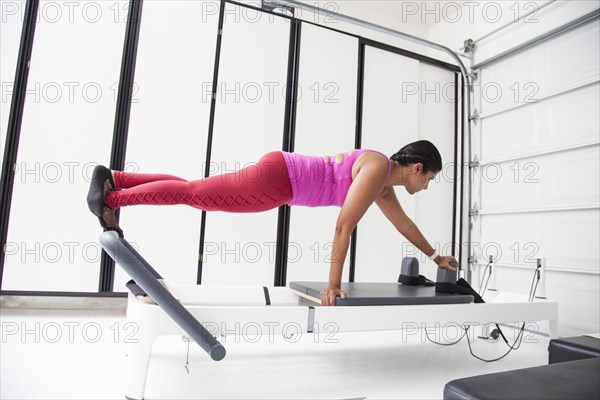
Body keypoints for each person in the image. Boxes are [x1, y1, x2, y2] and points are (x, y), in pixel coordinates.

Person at [87, 140, 458, 306]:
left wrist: (435, 257)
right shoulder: (377, 170)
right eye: (428, 179)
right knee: (196, 194)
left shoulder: (382, 182)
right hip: (281, 180)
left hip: (281, 178)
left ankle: (117, 179)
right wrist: (332, 286)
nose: (425, 186)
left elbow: (403, 225)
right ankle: (112, 199)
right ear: (417, 168)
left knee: (194, 190)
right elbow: (344, 225)